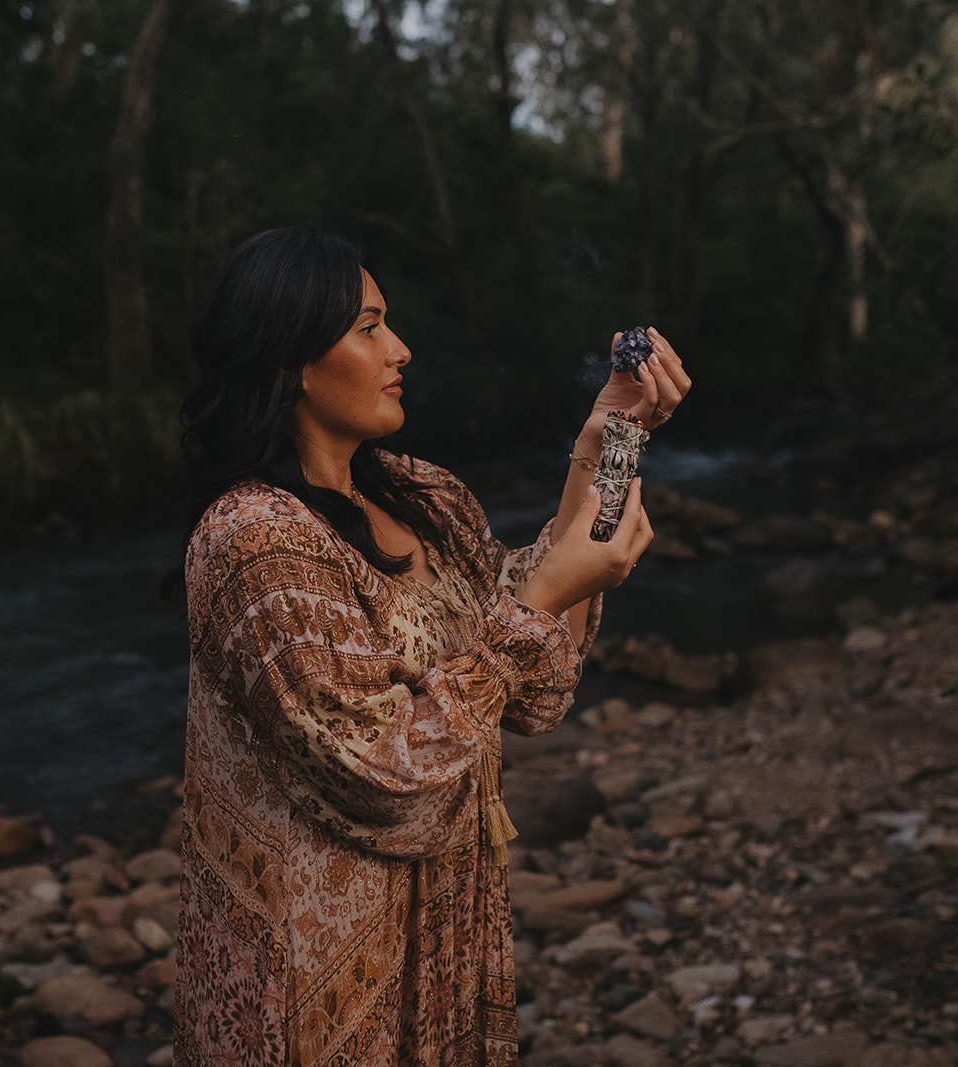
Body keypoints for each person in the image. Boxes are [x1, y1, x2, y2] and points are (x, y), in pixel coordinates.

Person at [170, 227, 692, 1065]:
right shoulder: (254, 539)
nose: (400, 348)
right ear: (290, 359)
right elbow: (385, 776)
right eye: (369, 327)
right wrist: (548, 594)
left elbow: (535, 684)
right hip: (311, 984)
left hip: (448, 932)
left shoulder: (422, 494)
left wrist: (614, 441)